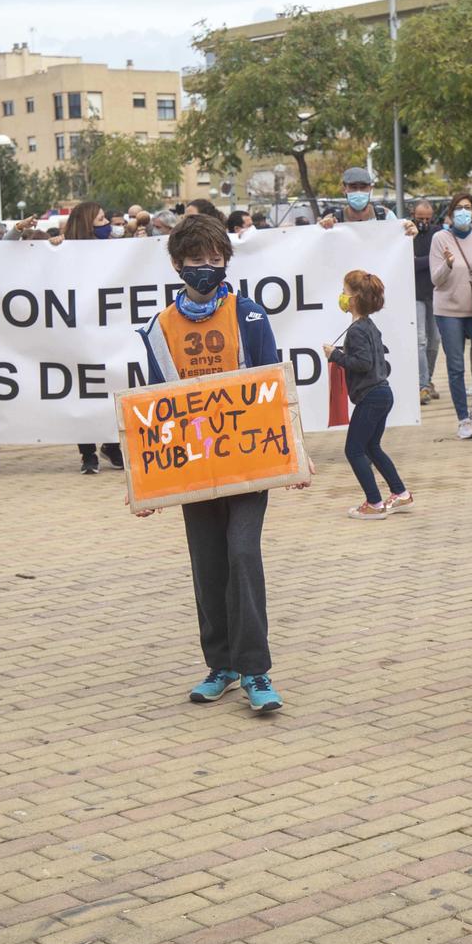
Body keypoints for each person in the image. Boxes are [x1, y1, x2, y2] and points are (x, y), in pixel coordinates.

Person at [135, 212, 296, 713]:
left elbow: (273, 388)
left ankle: (256, 670)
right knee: (207, 565)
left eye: (214, 258)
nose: (206, 267)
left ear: (226, 261)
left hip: (248, 464)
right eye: (195, 260)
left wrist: (292, 458)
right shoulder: (158, 329)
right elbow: (156, 406)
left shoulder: (249, 317)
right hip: (192, 466)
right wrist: (148, 483)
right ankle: (221, 665)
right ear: (177, 264)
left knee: (243, 555)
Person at [326, 268, 408, 519]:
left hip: (372, 396)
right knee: (372, 446)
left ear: (354, 299)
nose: (341, 296)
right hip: (382, 393)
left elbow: (362, 364)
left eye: (344, 293)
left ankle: (374, 502)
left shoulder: (357, 330)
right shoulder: (369, 326)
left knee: (354, 450)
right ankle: (400, 492)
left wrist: (335, 356)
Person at [429, 192, 472, 441]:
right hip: (448, 311)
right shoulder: (440, 238)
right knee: (455, 366)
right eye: (458, 208)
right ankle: (463, 419)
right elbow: (435, 279)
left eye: (467, 207)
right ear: (450, 213)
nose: (463, 212)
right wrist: (447, 264)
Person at [61, 201, 124, 474]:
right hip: (78, 332)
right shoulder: (62, 252)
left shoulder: (113, 249)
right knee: (82, 392)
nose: (106, 225)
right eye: (100, 220)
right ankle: (87, 454)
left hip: (108, 332)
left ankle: (112, 445)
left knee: (112, 387)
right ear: (87, 224)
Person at [408, 199, 439, 403]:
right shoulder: (408, 232)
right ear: (413, 215)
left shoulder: (438, 233)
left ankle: (428, 379)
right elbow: (408, 262)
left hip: (436, 293)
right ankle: (422, 384)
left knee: (434, 341)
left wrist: (423, 261)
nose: (424, 223)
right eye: (420, 218)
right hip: (416, 293)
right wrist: (432, 259)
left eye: (428, 219)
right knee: (420, 340)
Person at [322, 166, 396, 225]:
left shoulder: (386, 216)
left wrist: (407, 230)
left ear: (370, 188)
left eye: (363, 187)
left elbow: (400, 239)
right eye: (353, 187)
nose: (358, 192)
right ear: (344, 189)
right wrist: (324, 228)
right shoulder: (333, 221)